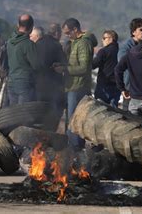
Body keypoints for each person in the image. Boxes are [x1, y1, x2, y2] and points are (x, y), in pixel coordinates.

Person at [53, 18, 95, 150]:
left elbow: (84, 68)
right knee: (71, 118)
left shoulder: (83, 44)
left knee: (74, 119)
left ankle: (75, 148)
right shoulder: (75, 42)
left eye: (67, 32)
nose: (66, 35)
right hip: (72, 86)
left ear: (75, 29)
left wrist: (65, 69)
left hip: (78, 88)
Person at [6, 14, 41, 104]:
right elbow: (37, 65)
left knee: (14, 112)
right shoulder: (28, 44)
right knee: (24, 113)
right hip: (25, 83)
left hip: (11, 81)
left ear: (18, 25)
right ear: (32, 27)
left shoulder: (9, 42)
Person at [33, 26, 67, 119]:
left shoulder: (37, 43)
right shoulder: (56, 45)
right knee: (53, 111)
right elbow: (64, 63)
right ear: (56, 33)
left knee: (39, 111)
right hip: (53, 84)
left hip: (38, 83)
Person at [117, 18, 142, 111]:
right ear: (133, 32)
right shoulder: (126, 48)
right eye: (141, 30)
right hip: (130, 90)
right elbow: (121, 65)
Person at [92, 30, 120, 107]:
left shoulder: (103, 51)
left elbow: (93, 65)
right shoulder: (121, 51)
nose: (102, 40)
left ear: (111, 39)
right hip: (117, 85)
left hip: (104, 85)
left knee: (100, 109)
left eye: (104, 38)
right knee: (114, 111)